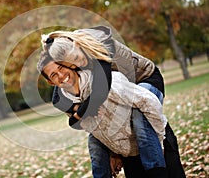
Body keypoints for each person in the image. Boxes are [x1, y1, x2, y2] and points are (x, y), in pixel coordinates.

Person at [40, 26, 185, 178]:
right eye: (72, 64)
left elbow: (103, 88)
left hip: (145, 79)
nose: (79, 64)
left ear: (77, 45)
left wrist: (79, 113)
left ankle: (156, 170)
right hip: (123, 89)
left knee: (138, 116)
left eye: (76, 58)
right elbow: (58, 97)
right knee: (96, 136)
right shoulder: (78, 63)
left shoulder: (101, 45)